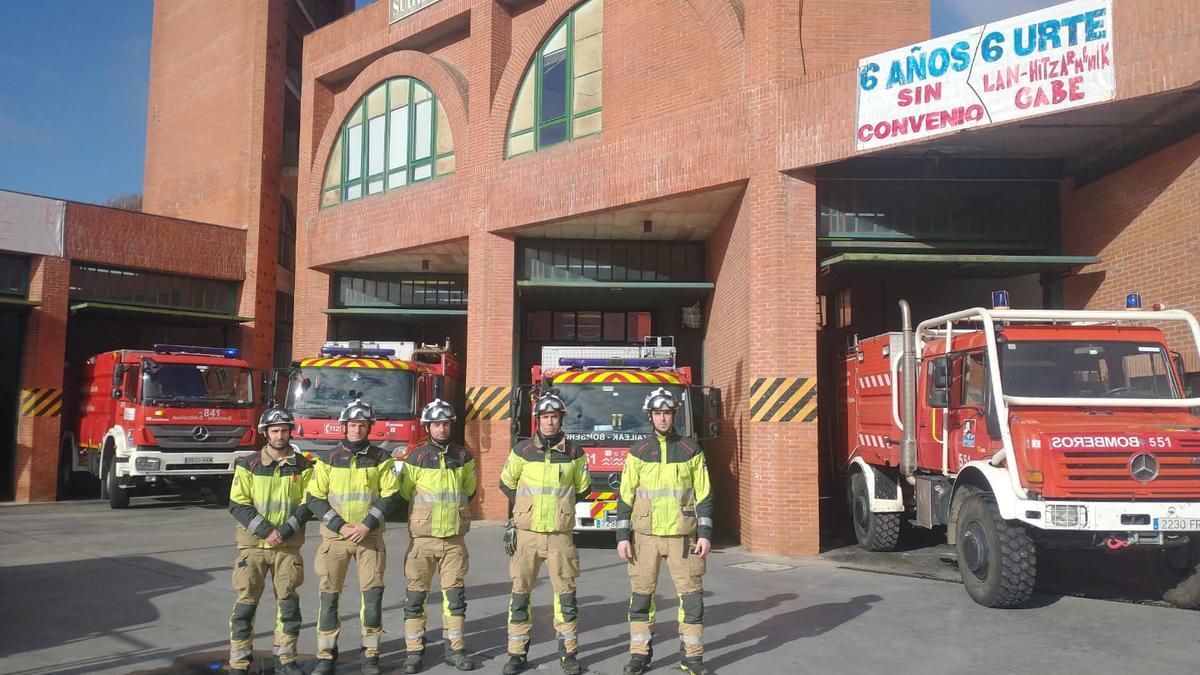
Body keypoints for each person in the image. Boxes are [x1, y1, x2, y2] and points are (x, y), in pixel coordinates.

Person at [615, 387, 715, 675]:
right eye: (657, 413)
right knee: (641, 598)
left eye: (667, 413)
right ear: (650, 416)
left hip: (683, 538)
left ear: (674, 415)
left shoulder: (691, 450)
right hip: (645, 538)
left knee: (692, 598)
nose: (662, 418)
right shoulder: (639, 451)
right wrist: (622, 537)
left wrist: (705, 533)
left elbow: (704, 494)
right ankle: (639, 655)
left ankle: (692, 658)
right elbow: (625, 496)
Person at [306, 398, 401, 675]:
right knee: (329, 597)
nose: (357, 430)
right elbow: (314, 498)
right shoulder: (328, 459)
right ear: (344, 426)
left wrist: (366, 525)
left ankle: (370, 655)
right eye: (352, 425)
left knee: (372, 597)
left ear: (369, 427)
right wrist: (341, 526)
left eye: (362, 425)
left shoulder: (381, 459)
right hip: (335, 539)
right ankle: (326, 656)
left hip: (369, 538)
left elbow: (391, 495)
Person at [498, 392, 590, 675]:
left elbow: (583, 488)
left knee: (566, 597)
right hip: (527, 536)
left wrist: (562, 507)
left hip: (560, 536)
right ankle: (517, 654)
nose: (550, 422)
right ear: (537, 420)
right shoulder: (522, 451)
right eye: (545, 417)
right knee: (520, 595)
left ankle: (569, 655)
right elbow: (506, 483)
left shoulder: (575, 453)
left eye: (554, 417)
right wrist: (524, 508)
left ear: (561, 419)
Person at [227, 405, 313, 675]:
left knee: (288, 605)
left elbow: (308, 503)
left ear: (290, 432)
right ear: (265, 433)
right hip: (253, 546)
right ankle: (239, 662)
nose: (279, 436)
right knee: (245, 605)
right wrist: (266, 531)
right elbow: (237, 504)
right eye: (275, 431)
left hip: (287, 547)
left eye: (284, 431)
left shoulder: (303, 466)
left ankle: (286, 660)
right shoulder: (248, 465)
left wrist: (284, 531)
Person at [396, 399, 477, 673]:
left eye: (445, 424)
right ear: (427, 427)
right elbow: (405, 492)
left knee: (455, 598)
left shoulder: (463, 456)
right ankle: (413, 652)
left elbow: (469, 490)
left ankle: (455, 650)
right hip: (422, 540)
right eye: (436, 424)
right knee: (415, 597)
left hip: (454, 540)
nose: (442, 429)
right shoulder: (415, 458)